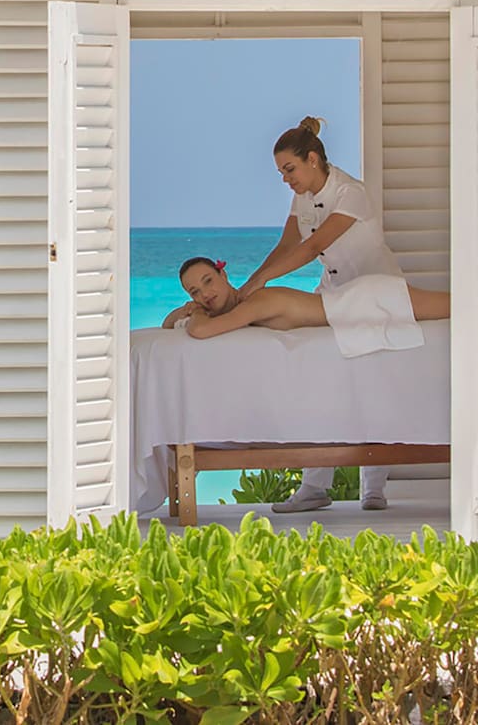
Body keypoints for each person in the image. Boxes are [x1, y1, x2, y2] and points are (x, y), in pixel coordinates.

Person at [244, 115, 421, 514]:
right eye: (281, 172)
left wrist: (261, 284)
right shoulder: (303, 197)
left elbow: (310, 249)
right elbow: (286, 246)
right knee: (317, 382)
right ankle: (314, 486)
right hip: (334, 292)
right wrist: (251, 285)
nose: (285, 179)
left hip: (375, 296)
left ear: (312, 159)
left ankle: (373, 488)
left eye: (289, 169)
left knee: (374, 386)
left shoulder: (350, 193)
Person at [163, 256, 447, 337]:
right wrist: (186, 310)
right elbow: (167, 325)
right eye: (195, 292)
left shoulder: (255, 303)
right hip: (357, 304)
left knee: (461, 306)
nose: (205, 294)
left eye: (208, 281)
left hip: (368, 299)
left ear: (223, 275)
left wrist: (195, 311)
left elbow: (201, 331)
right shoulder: (241, 308)